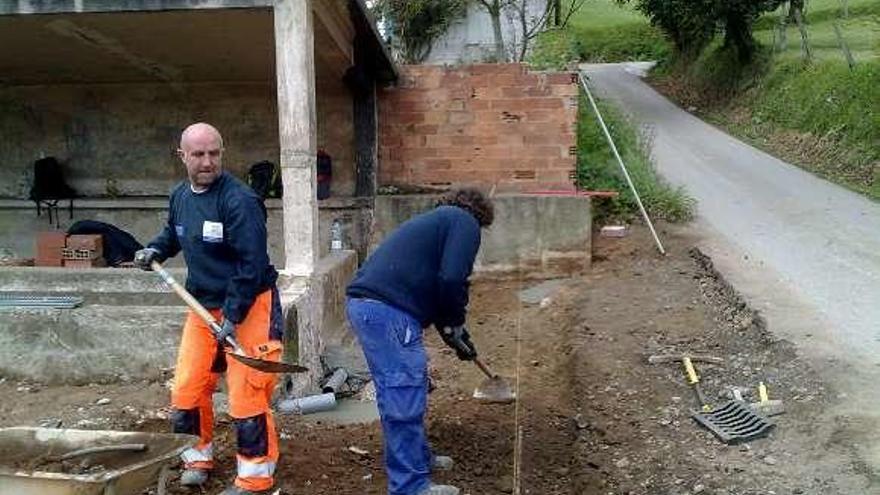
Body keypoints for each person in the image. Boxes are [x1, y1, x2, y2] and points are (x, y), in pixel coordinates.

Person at [134, 123, 282, 495]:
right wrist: (155, 248)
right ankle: (195, 457)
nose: (207, 162)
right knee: (187, 386)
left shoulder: (240, 202)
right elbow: (175, 232)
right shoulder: (181, 196)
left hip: (249, 303)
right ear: (182, 156)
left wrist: (233, 316)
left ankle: (255, 477)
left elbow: (251, 266)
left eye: (214, 153)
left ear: (222, 153)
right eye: (198, 154)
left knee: (247, 392)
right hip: (202, 305)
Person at [345, 188, 495, 495]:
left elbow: (433, 284)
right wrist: (455, 320)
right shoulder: (465, 222)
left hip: (373, 307)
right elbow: (453, 278)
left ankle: (419, 460)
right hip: (387, 311)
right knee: (403, 394)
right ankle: (410, 487)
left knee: (405, 388)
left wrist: (453, 331)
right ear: (479, 217)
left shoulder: (436, 223)